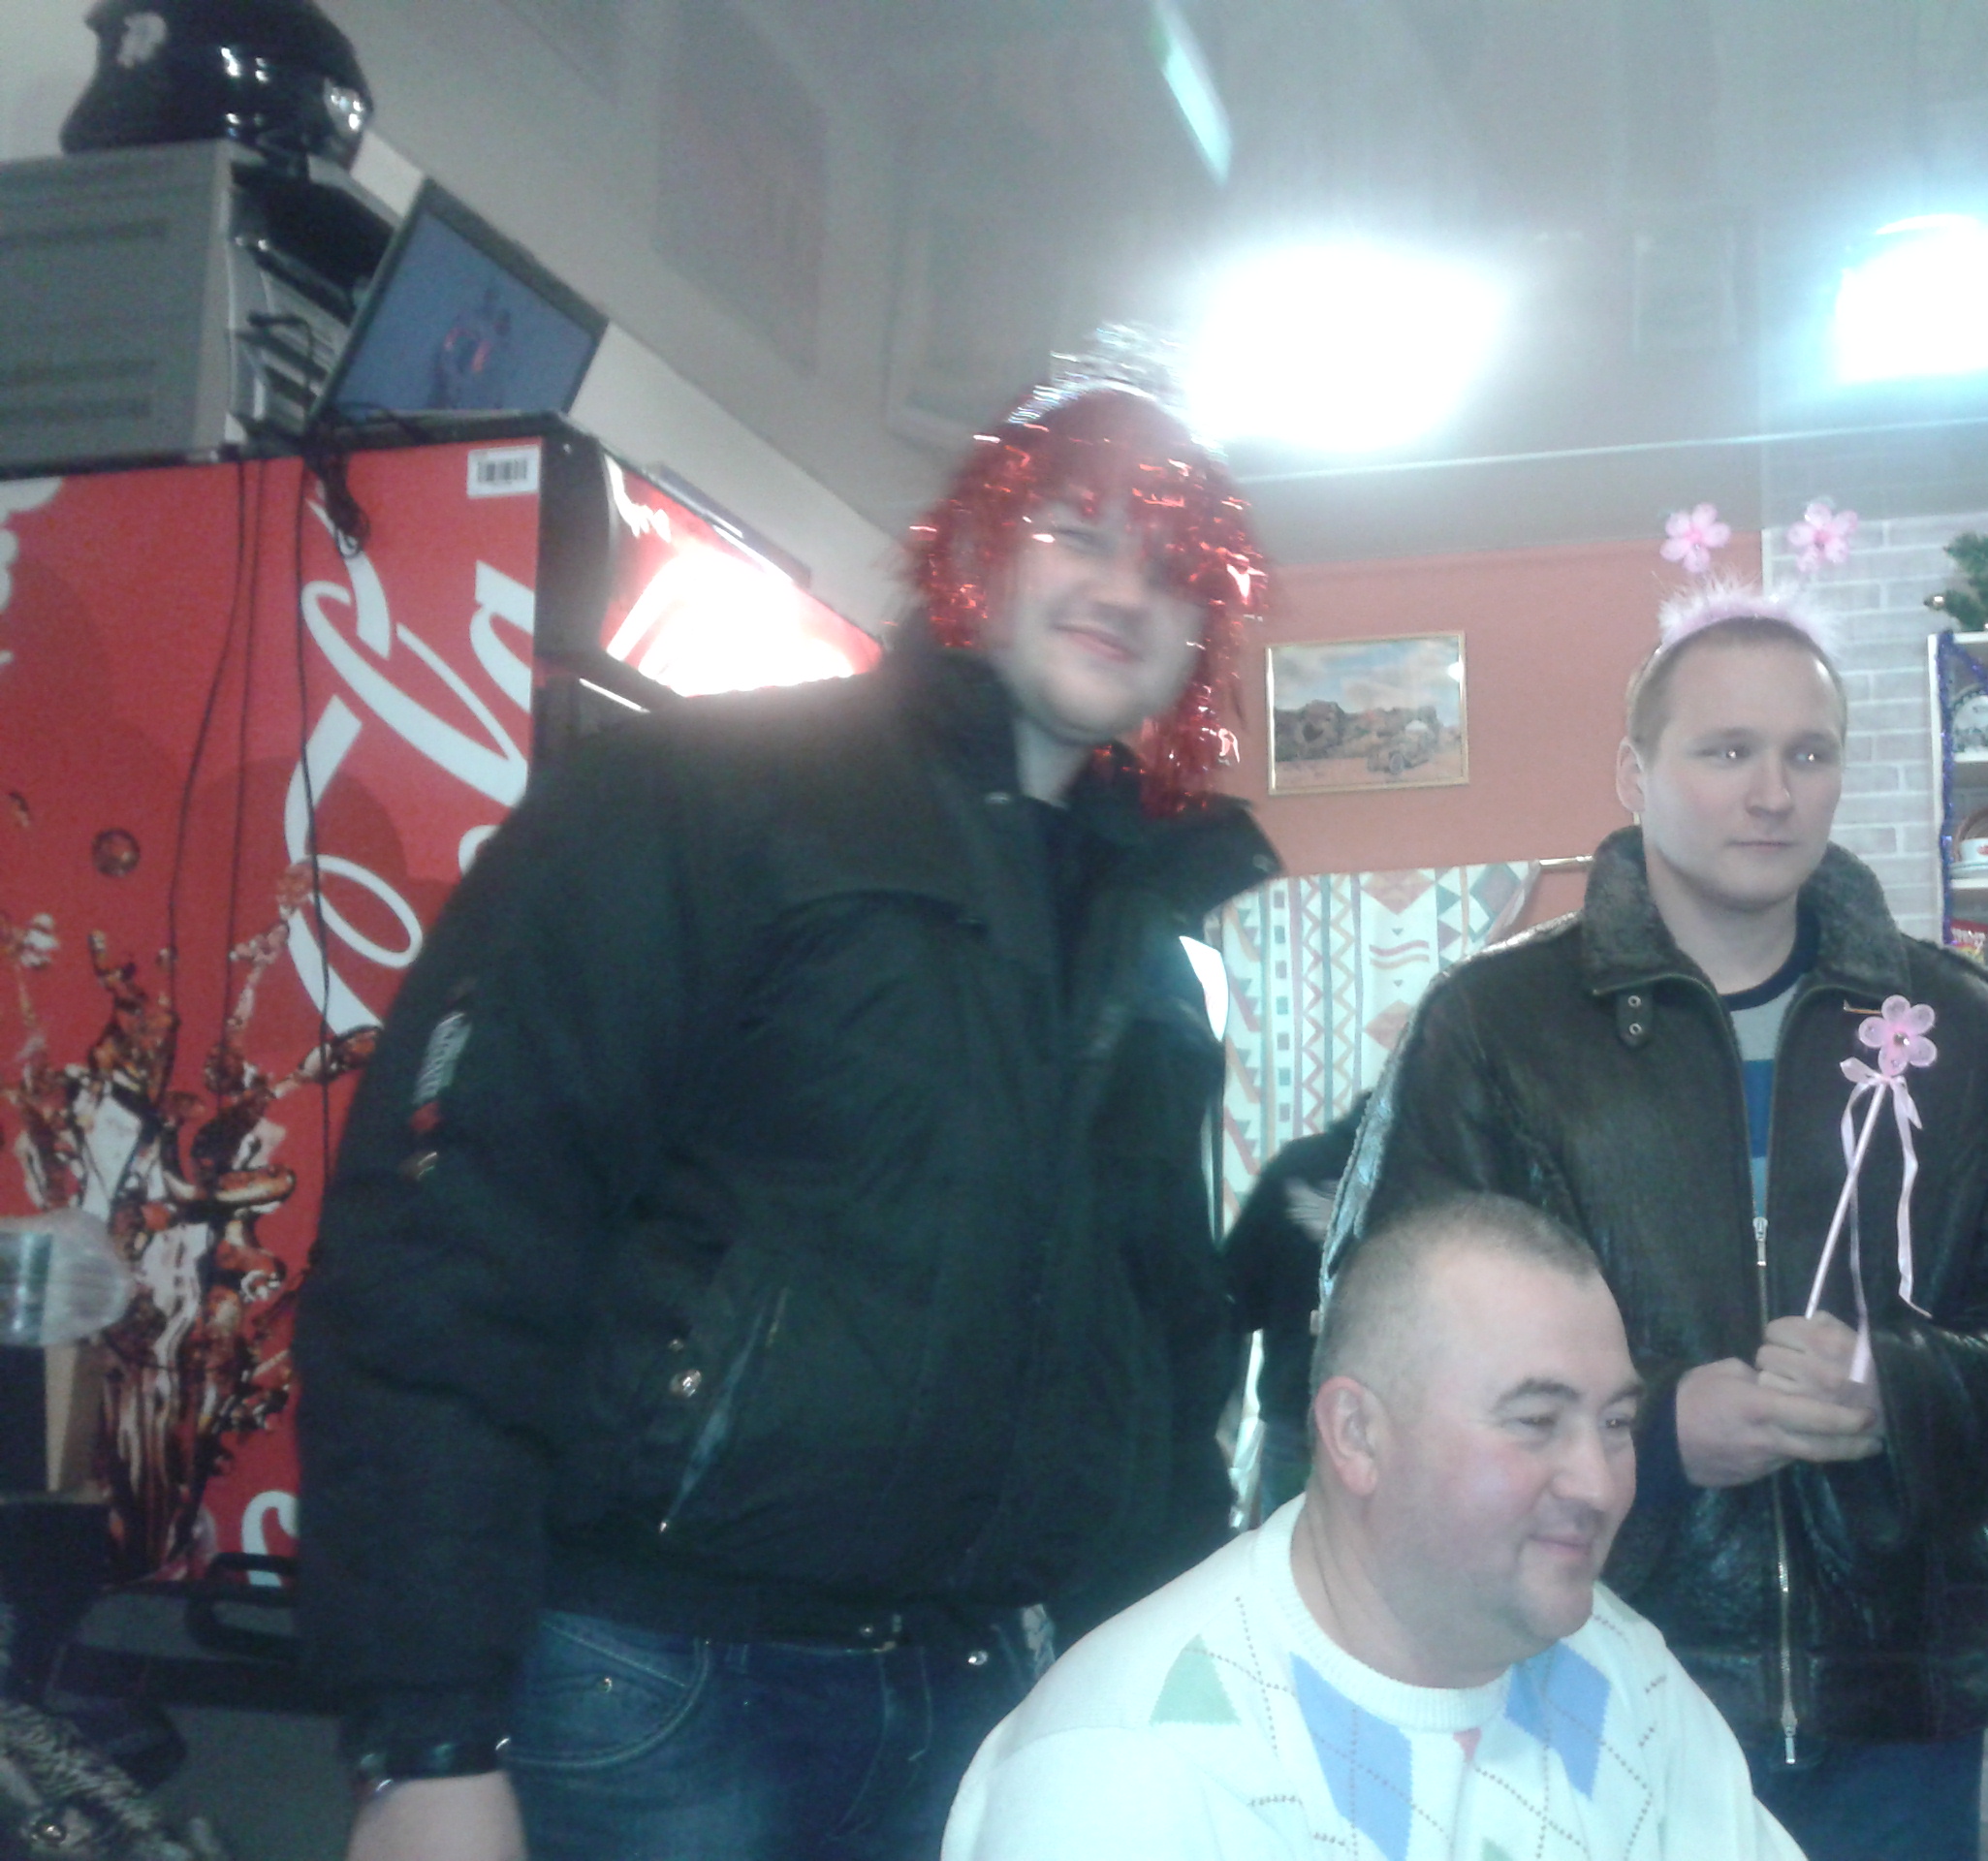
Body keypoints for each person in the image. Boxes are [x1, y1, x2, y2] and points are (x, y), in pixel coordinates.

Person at [295, 351, 1280, 1861]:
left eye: (1174, 567)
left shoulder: (1146, 940)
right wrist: (425, 1733)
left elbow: (1160, 1355)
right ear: (976, 549)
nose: (1123, 589)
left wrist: (1185, 1705)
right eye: (1079, 531)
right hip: (651, 1685)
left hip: (988, 1694)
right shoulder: (703, 793)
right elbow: (457, 1242)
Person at [1328, 585, 1988, 1861]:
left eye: (1807, 755)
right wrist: (1654, 1431)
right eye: (1726, 751)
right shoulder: (1493, 1029)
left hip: (1893, 1707)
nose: (1772, 794)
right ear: (1635, 773)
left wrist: (1901, 1393)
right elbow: (1388, 1336)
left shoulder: (1964, 1027)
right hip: (1580, 1682)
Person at [943, 1194, 1802, 1861]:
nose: (1600, 1483)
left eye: (1615, 1423)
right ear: (1357, 1435)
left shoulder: (1618, 1671)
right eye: (1537, 1422)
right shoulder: (1129, 1778)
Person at [1223, 1095, 1367, 1518]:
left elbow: (1237, 1296)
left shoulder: (1298, 1167)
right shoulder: (1430, 1176)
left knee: (1287, 1550)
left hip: (1298, 1410)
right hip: (1401, 1424)